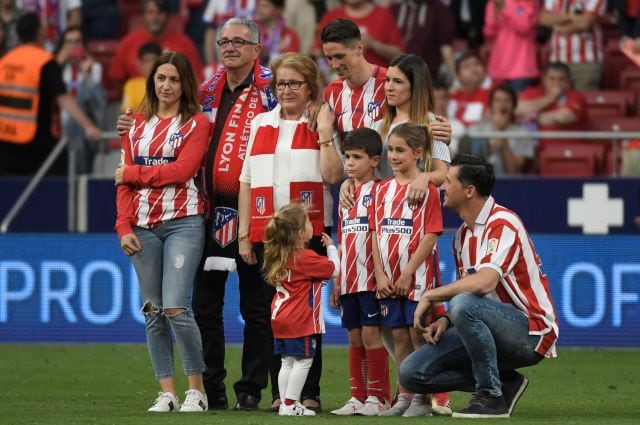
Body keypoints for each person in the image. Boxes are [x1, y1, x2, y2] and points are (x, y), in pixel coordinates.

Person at [115, 17, 279, 412]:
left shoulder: (272, 89)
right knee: (206, 305)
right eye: (224, 41)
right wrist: (130, 122)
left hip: (258, 208)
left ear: (256, 49)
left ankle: (251, 389)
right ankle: (210, 388)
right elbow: (163, 113)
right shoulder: (207, 90)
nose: (230, 48)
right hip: (208, 211)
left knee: (256, 305)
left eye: (239, 42)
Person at [399, 153, 559, 418]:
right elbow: (471, 294)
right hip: (489, 325)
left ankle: (490, 398)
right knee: (411, 372)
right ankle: (505, 383)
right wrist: (447, 321)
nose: (441, 187)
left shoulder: (503, 223)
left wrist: (432, 295)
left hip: (531, 331)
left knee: (463, 304)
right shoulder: (462, 237)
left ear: (469, 191)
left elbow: (485, 283)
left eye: (448, 181)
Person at [238, 51, 343, 413]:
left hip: (307, 233)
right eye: (280, 83)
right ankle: (281, 395)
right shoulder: (260, 123)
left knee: (306, 316)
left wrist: (326, 134)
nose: (285, 90)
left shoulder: (320, 121)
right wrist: (242, 234)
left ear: (310, 86)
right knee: (271, 315)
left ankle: (308, 392)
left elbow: (332, 176)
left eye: (293, 83)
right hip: (265, 234)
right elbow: (247, 181)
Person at [114, 51, 210, 413]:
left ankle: (196, 391)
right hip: (141, 226)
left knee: (175, 307)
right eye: (161, 78)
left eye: (174, 79)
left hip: (184, 221)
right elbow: (121, 185)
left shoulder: (197, 123)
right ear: (152, 81)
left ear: (185, 84)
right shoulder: (134, 124)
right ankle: (166, 392)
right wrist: (123, 227)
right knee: (152, 309)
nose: (166, 86)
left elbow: (181, 172)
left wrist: (133, 174)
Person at [371, 123, 445, 417]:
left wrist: (406, 273)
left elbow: (430, 235)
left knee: (418, 337)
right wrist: (379, 273)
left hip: (417, 281)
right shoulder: (381, 190)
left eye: (400, 150)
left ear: (418, 153)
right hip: (388, 280)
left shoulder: (427, 191)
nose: (393, 156)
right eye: (390, 149)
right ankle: (404, 396)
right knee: (399, 337)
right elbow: (375, 234)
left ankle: (422, 400)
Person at [330, 128, 391, 416]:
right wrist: (337, 278)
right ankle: (357, 395)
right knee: (354, 337)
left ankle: (379, 397)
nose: (350, 163)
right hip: (350, 279)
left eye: (357, 157)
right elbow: (343, 237)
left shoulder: (382, 191)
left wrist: (381, 274)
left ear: (375, 160)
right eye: (347, 157)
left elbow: (379, 234)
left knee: (371, 336)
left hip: (370, 279)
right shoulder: (347, 194)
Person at [262, 203, 340, 416]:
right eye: (307, 221)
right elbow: (334, 270)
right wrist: (332, 248)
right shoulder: (305, 257)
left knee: (286, 361)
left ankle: (285, 403)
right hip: (299, 319)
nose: (311, 224)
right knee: (304, 361)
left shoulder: (279, 255)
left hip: (279, 317)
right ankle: (290, 404)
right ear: (299, 233)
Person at [0, 11, 100, 176]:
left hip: (4, 142)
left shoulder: (5, 61)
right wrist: (88, 126)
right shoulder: (44, 61)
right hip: (35, 144)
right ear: (40, 32)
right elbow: (63, 98)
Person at [109, 0, 203, 92]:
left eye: (160, 12)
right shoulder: (128, 43)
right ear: (144, 15)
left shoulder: (185, 44)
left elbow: (196, 82)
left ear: (168, 15)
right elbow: (117, 79)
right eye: (150, 12)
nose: (155, 17)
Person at [54, 25, 106, 174]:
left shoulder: (94, 68)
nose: (73, 46)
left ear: (84, 46)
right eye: (68, 42)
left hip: (81, 132)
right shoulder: (54, 68)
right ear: (62, 46)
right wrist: (57, 66)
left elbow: (98, 104)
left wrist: (87, 77)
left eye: (77, 42)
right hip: (58, 127)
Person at [460, 85, 535, 175]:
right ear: (491, 106)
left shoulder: (523, 134)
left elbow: (512, 171)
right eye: (498, 100)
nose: (502, 104)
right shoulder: (476, 131)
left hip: (510, 184)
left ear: (514, 106)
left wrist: (502, 134)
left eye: (507, 101)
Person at [516, 62, 588, 153]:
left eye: (561, 79)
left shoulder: (577, 97)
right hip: (531, 151)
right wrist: (550, 98)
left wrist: (532, 117)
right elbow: (517, 109)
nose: (556, 83)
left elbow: (564, 118)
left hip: (568, 151)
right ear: (544, 80)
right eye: (551, 79)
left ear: (569, 82)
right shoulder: (532, 93)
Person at [313, 1, 405, 68]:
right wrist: (328, 74)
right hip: (339, 85)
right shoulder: (331, 16)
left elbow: (400, 55)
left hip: (376, 84)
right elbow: (316, 52)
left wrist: (373, 44)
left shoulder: (383, 15)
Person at [539, 0, 606, 90]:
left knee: (582, 101)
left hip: (586, 62)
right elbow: (543, 18)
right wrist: (570, 17)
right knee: (558, 101)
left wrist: (559, 25)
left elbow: (585, 23)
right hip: (558, 60)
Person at [389, 0, 457, 84]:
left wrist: (455, 78)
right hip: (396, 73)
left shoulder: (439, 10)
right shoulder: (395, 9)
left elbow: (446, 46)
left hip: (426, 74)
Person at [483, 0, 540, 93]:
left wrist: (505, 8)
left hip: (521, 68)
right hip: (498, 67)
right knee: (497, 104)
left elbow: (524, 28)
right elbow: (489, 33)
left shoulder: (530, 2)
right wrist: (495, 14)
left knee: (518, 104)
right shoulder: (494, 2)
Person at [448, 52, 494, 129]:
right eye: (466, 66)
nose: (473, 69)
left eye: (476, 64)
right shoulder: (451, 96)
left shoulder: (495, 93)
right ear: (458, 76)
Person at [255, 0, 300, 66]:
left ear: (278, 10)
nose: (259, 10)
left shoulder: (290, 36)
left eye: (265, 7)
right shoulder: (251, 31)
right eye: (259, 6)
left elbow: (292, 64)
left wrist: (268, 56)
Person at [121, 42, 163, 112]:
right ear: (139, 63)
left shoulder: (167, 83)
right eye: (147, 60)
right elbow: (128, 111)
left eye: (154, 60)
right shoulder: (131, 85)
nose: (151, 64)